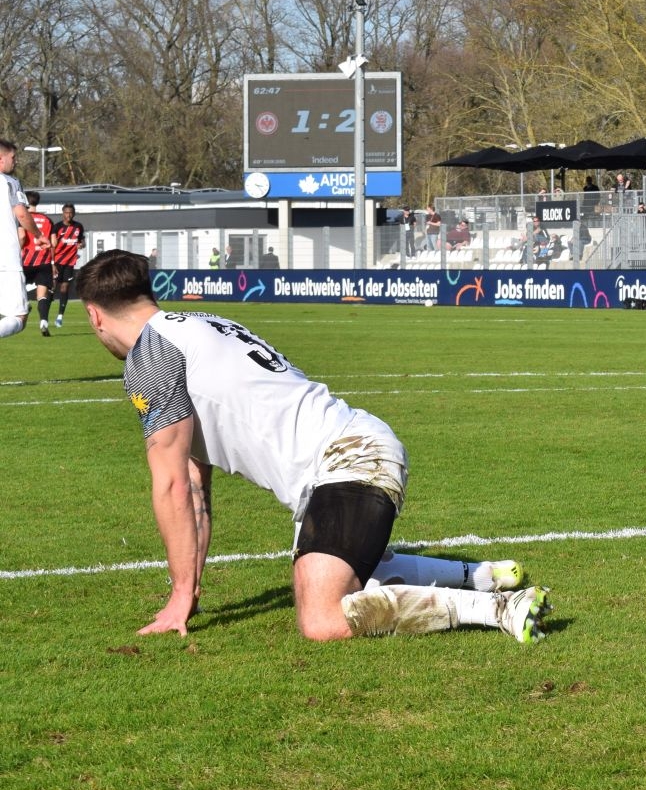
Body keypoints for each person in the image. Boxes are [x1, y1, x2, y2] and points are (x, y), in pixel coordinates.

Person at [72, 250, 550, 642]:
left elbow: (172, 485)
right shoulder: (199, 324)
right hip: (351, 452)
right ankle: (481, 575)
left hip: (348, 459)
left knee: (321, 618)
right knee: (354, 576)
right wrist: (188, 591)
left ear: (95, 315)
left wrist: (180, 595)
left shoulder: (150, 355)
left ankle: (499, 607)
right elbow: (195, 484)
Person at [0, 141, 38, 341]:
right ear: (1, 159)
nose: (15, 162)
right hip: (6, 259)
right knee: (19, 317)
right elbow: (22, 215)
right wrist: (40, 236)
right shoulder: (9, 182)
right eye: (13, 158)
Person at [44, 201, 85, 331]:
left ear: (74, 214)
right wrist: (52, 263)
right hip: (57, 262)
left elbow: (81, 241)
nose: (69, 215)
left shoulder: (78, 227)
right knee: (52, 288)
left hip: (69, 263)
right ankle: (45, 317)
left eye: (71, 213)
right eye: (66, 213)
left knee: (64, 288)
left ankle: (60, 316)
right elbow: (52, 246)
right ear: (63, 213)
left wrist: (81, 245)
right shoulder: (56, 228)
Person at [20, 191, 55, 337]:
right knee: (42, 294)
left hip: (25, 261)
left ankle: (24, 306)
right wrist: (53, 262)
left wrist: (19, 247)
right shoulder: (47, 220)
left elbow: (22, 237)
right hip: (44, 261)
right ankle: (43, 322)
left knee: (18, 288)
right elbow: (53, 243)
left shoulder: (22, 219)